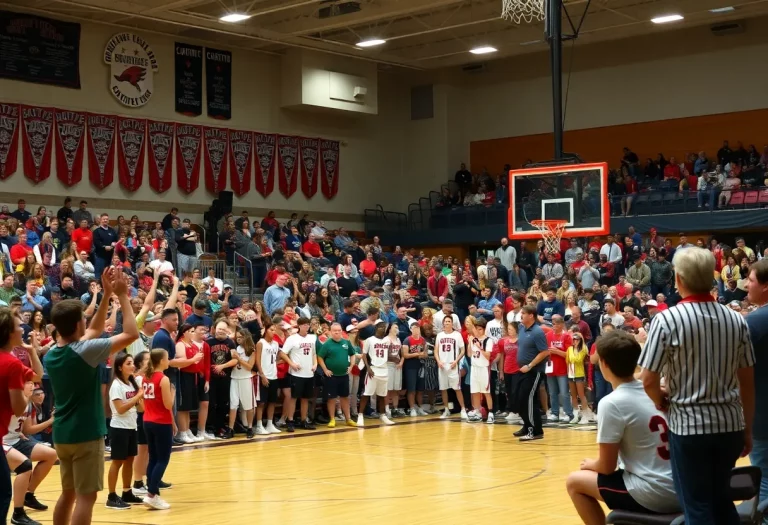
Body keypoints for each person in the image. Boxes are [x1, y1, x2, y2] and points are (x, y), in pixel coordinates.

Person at [639, 247, 755, 525]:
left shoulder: (666, 320)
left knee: (697, 507)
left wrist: (660, 400)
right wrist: (747, 429)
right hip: (729, 426)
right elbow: (747, 383)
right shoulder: (736, 319)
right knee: (722, 502)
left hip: (689, 428)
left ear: (678, 279)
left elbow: (648, 379)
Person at [45, 267, 139, 525]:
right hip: (85, 433)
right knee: (86, 498)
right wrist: (123, 296)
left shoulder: (52, 352)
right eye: (84, 318)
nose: (87, 321)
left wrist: (107, 295)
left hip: (63, 434)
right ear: (78, 324)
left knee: (68, 494)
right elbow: (131, 334)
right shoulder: (85, 351)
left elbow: (92, 331)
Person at [566, 331, 680, 524]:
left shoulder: (612, 402)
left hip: (655, 493)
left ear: (603, 363)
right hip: (683, 486)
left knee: (574, 481)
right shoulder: (656, 390)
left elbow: (607, 467)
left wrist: (590, 464)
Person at [106, 352, 144, 509]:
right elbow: (120, 409)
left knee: (129, 460)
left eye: (132, 363)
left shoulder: (132, 383)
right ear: (120, 367)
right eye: (128, 363)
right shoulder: (116, 385)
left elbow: (140, 409)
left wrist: (140, 398)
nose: (132, 366)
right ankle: (111, 496)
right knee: (117, 462)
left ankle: (127, 491)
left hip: (131, 426)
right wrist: (137, 397)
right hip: (119, 428)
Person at [745, 259, 768, 512]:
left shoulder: (754, 323)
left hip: (763, 417)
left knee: (764, 482)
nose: (746, 285)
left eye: (750, 280)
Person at [141, 349, 174, 510]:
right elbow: (168, 405)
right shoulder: (164, 379)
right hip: (161, 422)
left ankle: (152, 493)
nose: (169, 360)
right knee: (162, 459)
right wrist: (173, 394)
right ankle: (152, 495)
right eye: (167, 358)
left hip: (148, 421)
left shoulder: (146, 377)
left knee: (153, 458)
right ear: (161, 361)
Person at [515, 305, 550, 442]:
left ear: (531, 316)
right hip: (522, 370)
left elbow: (545, 352)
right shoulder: (522, 328)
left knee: (528, 400)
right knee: (520, 399)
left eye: (523, 313)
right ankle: (526, 425)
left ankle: (534, 431)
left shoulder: (537, 332)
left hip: (534, 371)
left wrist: (530, 365)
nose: (521, 315)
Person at [316, 323, 358, 428]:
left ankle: (348, 419)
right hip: (331, 376)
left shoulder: (346, 342)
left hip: (344, 375)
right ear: (330, 332)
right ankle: (332, 419)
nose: (337, 332)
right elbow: (320, 357)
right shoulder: (327, 344)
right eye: (335, 331)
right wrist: (325, 369)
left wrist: (351, 365)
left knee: (345, 397)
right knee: (332, 398)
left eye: (339, 330)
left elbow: (352, 354)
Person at [280, 318, 317, 432]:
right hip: (296, 373)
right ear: (299, 326)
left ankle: (303, 420)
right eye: (304, 325)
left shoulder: (312, 338)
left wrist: (315, 364)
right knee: (294, 397)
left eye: (308, 324)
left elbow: (314, 353)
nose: (306, 326)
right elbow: (282, 353)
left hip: (309, 373)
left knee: (305, 398)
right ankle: (290, 421)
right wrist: (292, 363)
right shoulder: (292, 338)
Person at [358, 321, 395, 427]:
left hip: (384, 370)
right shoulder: (369, 340)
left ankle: (383, 415)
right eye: (381, 327)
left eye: (384, 327)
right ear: (376, 328)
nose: (383, 329)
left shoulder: (387, 340)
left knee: (382, 395)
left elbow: (387, 355)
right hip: (373, 370)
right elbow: (364, 355)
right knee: (366, 394)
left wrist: (394, 357)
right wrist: (368, 368)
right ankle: (360, 415)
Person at [434, 317, 468, 421]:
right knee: (443, 388)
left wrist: (456, 361)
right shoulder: (439, 335)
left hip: (453, 365)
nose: (447, 323)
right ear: (443, 323)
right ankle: (446, 409)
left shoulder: (457, 335)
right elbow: (436, 350)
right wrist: (438, 361)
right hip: (442, 365)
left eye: (449, 321)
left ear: (452, 324)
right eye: (445, 322)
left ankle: (463, 409)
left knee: (457, 388)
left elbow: (462, 350)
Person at [254, 324, 281, 435]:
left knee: (272, 401)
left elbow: (277, 358)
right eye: (271, 329)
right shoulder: (260, 343)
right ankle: (259, 425)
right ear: (265, 330)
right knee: (261, 403)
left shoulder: (276, 344)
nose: (273, 332)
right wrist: (262, 375)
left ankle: (270, 424)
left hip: (274, 376)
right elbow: (257, 361)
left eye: (275, 330)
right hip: (263, 376)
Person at [467, 318, 494, 423]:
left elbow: (488, 356)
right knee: (475, 392)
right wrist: (470, 343)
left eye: (480, 329)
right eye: (476, 329)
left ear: (483, 330)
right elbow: (469, 354)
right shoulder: (473, 339)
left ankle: (491, 413)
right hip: (474, 368)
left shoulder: (488, 340)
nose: (477, 331)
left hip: (484, 368)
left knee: (486, 392)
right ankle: (477, 412)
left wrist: (480, 347)